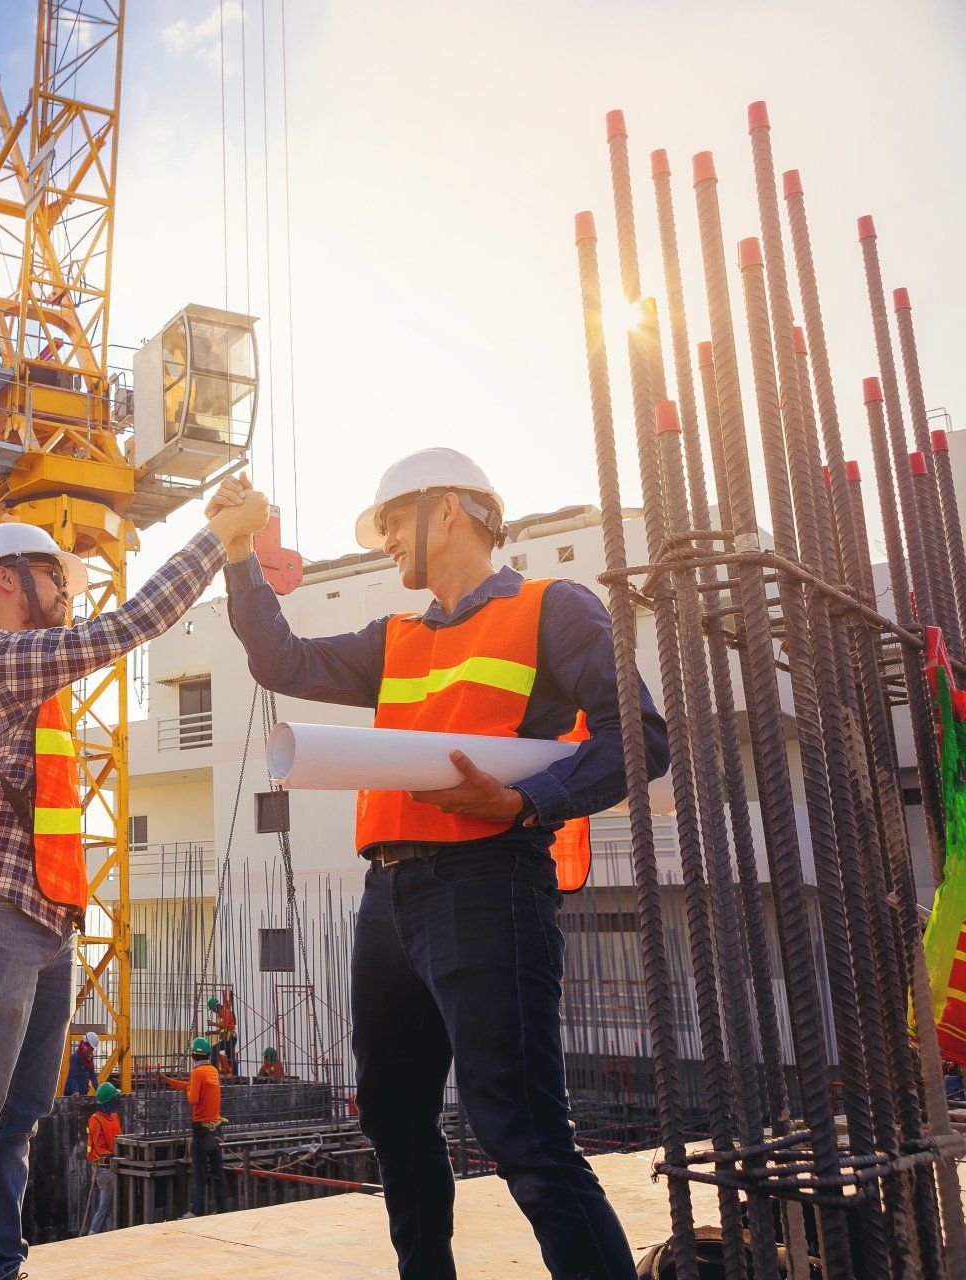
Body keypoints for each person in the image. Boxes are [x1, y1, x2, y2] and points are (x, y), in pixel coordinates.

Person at [217, 450, 669, 1280]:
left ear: (452, 510)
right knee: (391, 1114)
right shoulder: (397, 637)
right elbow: (283, 663)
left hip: (489, 882)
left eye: (392, 521)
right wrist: (241, 559)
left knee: (522, 1130)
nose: (386, 540)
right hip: (389, 895)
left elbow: (639, 738)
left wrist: (527, 801)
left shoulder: (551, 608)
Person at [0, 494, 270, 1280]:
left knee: (18, 1118)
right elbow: (129, 625)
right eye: (51, 577)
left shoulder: (38, 684)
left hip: (44, 923)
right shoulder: (1, 660)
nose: (68, 594)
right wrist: (215, 539)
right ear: (4, 580)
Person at [159, 1037, 227, 1217]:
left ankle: (196, 1212)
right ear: (207, 1054)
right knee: (218, 1172)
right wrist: (170, 1081)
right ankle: (223, 1210)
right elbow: (191, 1087)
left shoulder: (197, 1073)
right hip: (216, 1130)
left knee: (199, 1173)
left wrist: (186, 1089)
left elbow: (192, 1098)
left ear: (193, 1056)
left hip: (201, 1131)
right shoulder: (212, 1071)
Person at [84, 1082, 122, 1235]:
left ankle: (92, 1234)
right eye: (115, 1097)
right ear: (109, 1100)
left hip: (113, 1165)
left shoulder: (114, 1116)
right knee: (124, 1190)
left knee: (105, 1206)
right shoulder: (95, 1119)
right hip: (104, 1169)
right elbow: (99, 1149)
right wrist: (112, 1157)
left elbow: (119, 1138)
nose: (118, 1099)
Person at [206, 994, 238, 1074]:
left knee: (214, 1049)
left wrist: (213, 1024)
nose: (213, 1011)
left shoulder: (225, 1012)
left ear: (215, 1005)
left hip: (230, 1039)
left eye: (212, 1009)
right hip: (228, 1039)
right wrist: (212, 1032)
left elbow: (225, 1025)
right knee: (230, 1058)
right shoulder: (220, 1014)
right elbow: (222, 1029)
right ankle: (235, 1074)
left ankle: (213, 1070)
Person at [63, 1031, 99, 1097]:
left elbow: (92, 1075)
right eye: (91, 1048)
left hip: (83, 1092)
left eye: (93, 1049)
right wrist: (75, 1091)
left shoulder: (89, 1058)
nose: (91, 1051)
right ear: (85, 1044)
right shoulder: (75, 1057)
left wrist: (98, 1090)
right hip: (72, 1094)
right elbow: (74, 1076)